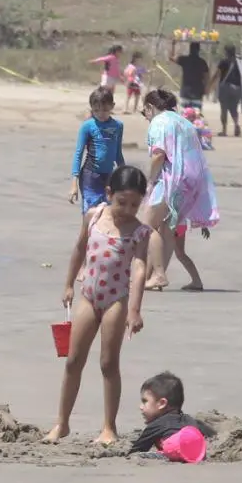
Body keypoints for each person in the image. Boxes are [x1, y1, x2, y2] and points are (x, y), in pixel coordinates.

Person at [51, 165, 150, 445]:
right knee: (73, 361)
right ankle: (62, 423)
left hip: (115, 301)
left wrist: (135, 309)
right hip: (88, 295)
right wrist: (69, 284)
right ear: (109, 193)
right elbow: (80, 248)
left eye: (135, 204)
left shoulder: (140, 232)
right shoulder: (93, 217)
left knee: (108, 363)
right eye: (122, 202)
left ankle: (109, 427)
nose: (128, 209)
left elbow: (140, 268)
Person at [141, 89, 220, 292]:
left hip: (172, 179)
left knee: (147, 226)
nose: (145, 116)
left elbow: (159, 155)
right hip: (193, 180)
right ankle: (157, 275)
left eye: (144, 111)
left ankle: (158, 275)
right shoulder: (185, 122)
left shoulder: (159, 122)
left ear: (150, 107)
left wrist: (150, 180)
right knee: (167, 228)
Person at [128, 372, 216, 457]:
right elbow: (212, 435)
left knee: (144, 455)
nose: (140, 407)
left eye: (145, 401)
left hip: (176, 451)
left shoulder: (156, 425)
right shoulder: (191, 420)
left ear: (162, 403)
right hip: (197, 451)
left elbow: (135, 451)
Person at [69, 86, 125, 211]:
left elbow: (118, 154)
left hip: (109, 177)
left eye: (105, 110)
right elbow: (78, 154)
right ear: (91, 109)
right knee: (90, 214)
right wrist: (74, 184)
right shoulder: (87, 126)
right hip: (90, 177)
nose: (100, 114)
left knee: (107, 215)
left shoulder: (118, 126)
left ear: (112, 106)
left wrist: (125, 176)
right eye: (96, 110)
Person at [170, 40, 209, 114]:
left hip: (185, 93)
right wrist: (206, 88)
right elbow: (206, 77)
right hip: (197, 93)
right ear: (198, 50)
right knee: (196, 117)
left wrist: (173, 45)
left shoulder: (185, 59)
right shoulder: (202, 62)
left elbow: (172, 58)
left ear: (190, 49)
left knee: (184, 117)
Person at [213, 44, 242, 137]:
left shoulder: (223, 61)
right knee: (234, 108)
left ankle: (224, 130)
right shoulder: (239, 62)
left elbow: (217, 74)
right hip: (237, 88)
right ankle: (236, 124)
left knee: (224, 109)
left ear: (225, 51)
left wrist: (210, 84)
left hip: (225, 87)